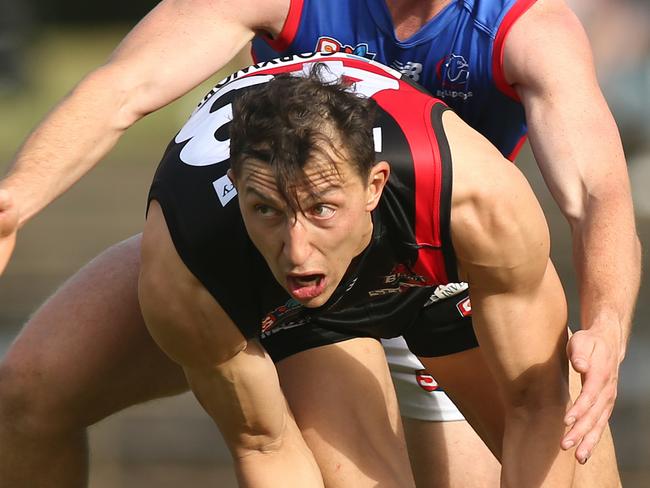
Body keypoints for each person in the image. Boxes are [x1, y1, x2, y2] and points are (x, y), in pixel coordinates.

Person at [0, 0, 639, 486]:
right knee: (28, 389)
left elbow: (598, 191)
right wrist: (15, 202)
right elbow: (125, 86)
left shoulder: (523, 37)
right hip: (286, 255)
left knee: (571, 435)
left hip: (445, 262)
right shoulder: (192, 244)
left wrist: (606, 325)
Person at [139, 52, 576, 487]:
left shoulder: (477, 202)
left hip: (426, 253)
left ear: (374, 186)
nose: (297, 250)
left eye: (321, 209)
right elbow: (264, 446)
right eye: (266, 210)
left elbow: (538, 405)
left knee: (580, 460)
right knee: (66, 380)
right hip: (289, 304)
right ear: (236, 188)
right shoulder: (185, 269)